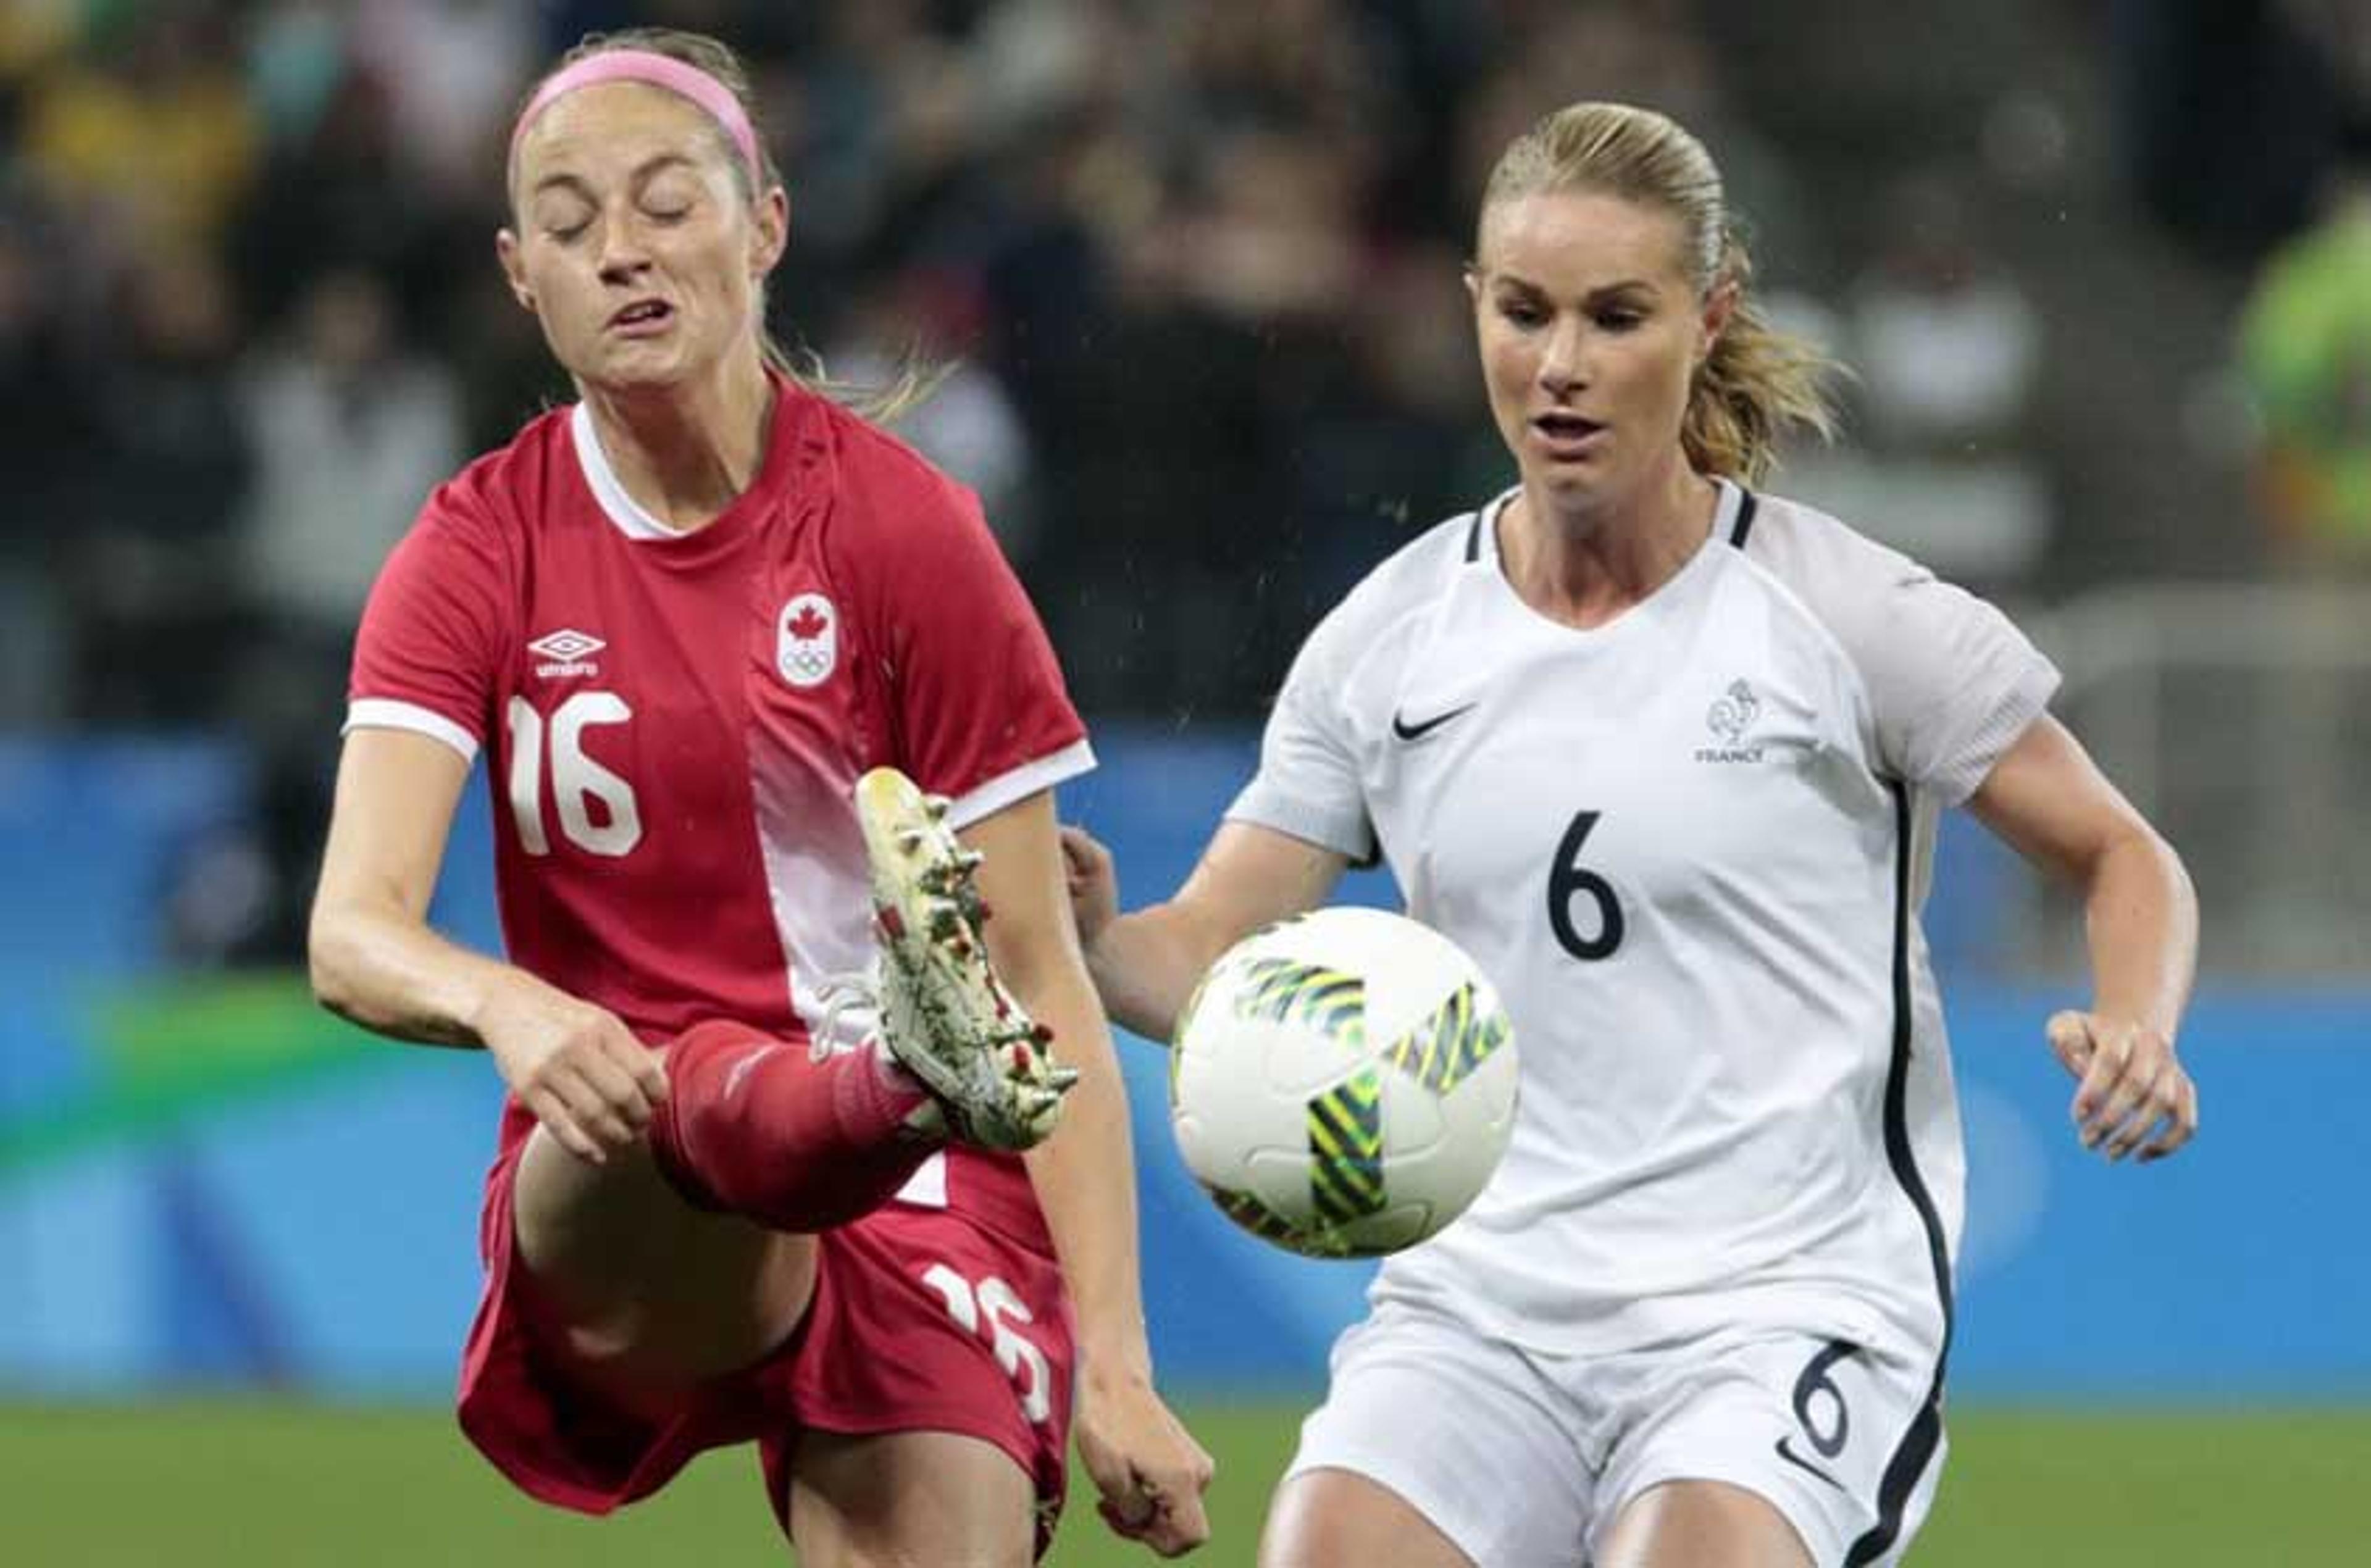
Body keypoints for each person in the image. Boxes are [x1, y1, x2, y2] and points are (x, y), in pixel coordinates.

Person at [1063, 102, 2199, 1568]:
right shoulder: (1391, 638)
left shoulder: (1847, 618)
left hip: (1783, 1301)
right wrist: (1086, 937)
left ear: (1711, 315)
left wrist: (2138, 1020)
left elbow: (2123, 854)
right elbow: (1207, 955)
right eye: (1525, 312)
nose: (1562, 366)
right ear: (1474, 306)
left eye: (1617, 316)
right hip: (1481, 1314)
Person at [307, 28, 1210, 1566]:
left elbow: (1042, 973)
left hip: (930, 1201)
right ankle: (902, 1078)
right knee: (659, 1107)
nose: (625, 254)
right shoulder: (477, 549)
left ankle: (906, 1092)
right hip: (629, 1173)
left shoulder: (907, 533)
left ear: (766, 225)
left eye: (668, 203)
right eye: (575, 225)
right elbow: (351, 931)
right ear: (524, 277)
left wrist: (1119, 1370)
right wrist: (509, 1007)